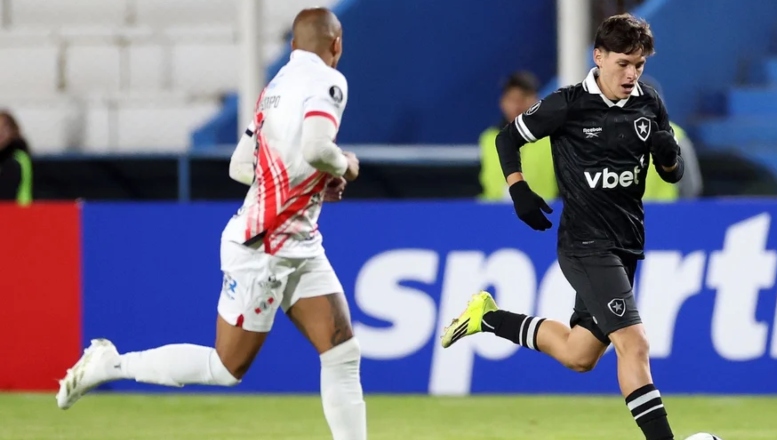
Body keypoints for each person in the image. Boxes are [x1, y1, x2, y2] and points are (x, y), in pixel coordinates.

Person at [56, 7, 367, 440]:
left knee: (342, 352)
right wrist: (346, 165)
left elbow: (241, 166)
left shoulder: (274, 89)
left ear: (293, 45)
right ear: (337, 44)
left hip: (296, 240)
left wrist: (307, 183)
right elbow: (316, 148)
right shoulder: (329, 82)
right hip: (265, 245)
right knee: (226, 367)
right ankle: (112, 364)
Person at [442, 13, 681, 440]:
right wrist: (518, 188)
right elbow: (507, 138)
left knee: (579, 354)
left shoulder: (649, 103)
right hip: (585, 245)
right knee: (635, 343)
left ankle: (489, 318)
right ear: (599, 57)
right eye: (623, 64)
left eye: (639, 65)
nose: (631, 75)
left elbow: (672, 173)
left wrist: (667, 158)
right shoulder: (567, 104)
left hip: (627, 244)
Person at [478, 72, 558, 202]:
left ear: (536, 100)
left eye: (523, 98)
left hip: (543, 209)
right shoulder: (488, 138)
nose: (517, 105)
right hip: (494, 211)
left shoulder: (552, 137)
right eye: (512, 99)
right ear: (502, 102)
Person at [0, 111, 33, 205]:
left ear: (13, 131)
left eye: (5, 128)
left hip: (17, 209)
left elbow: (8, 191)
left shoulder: (18, 158)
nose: (1, 132)